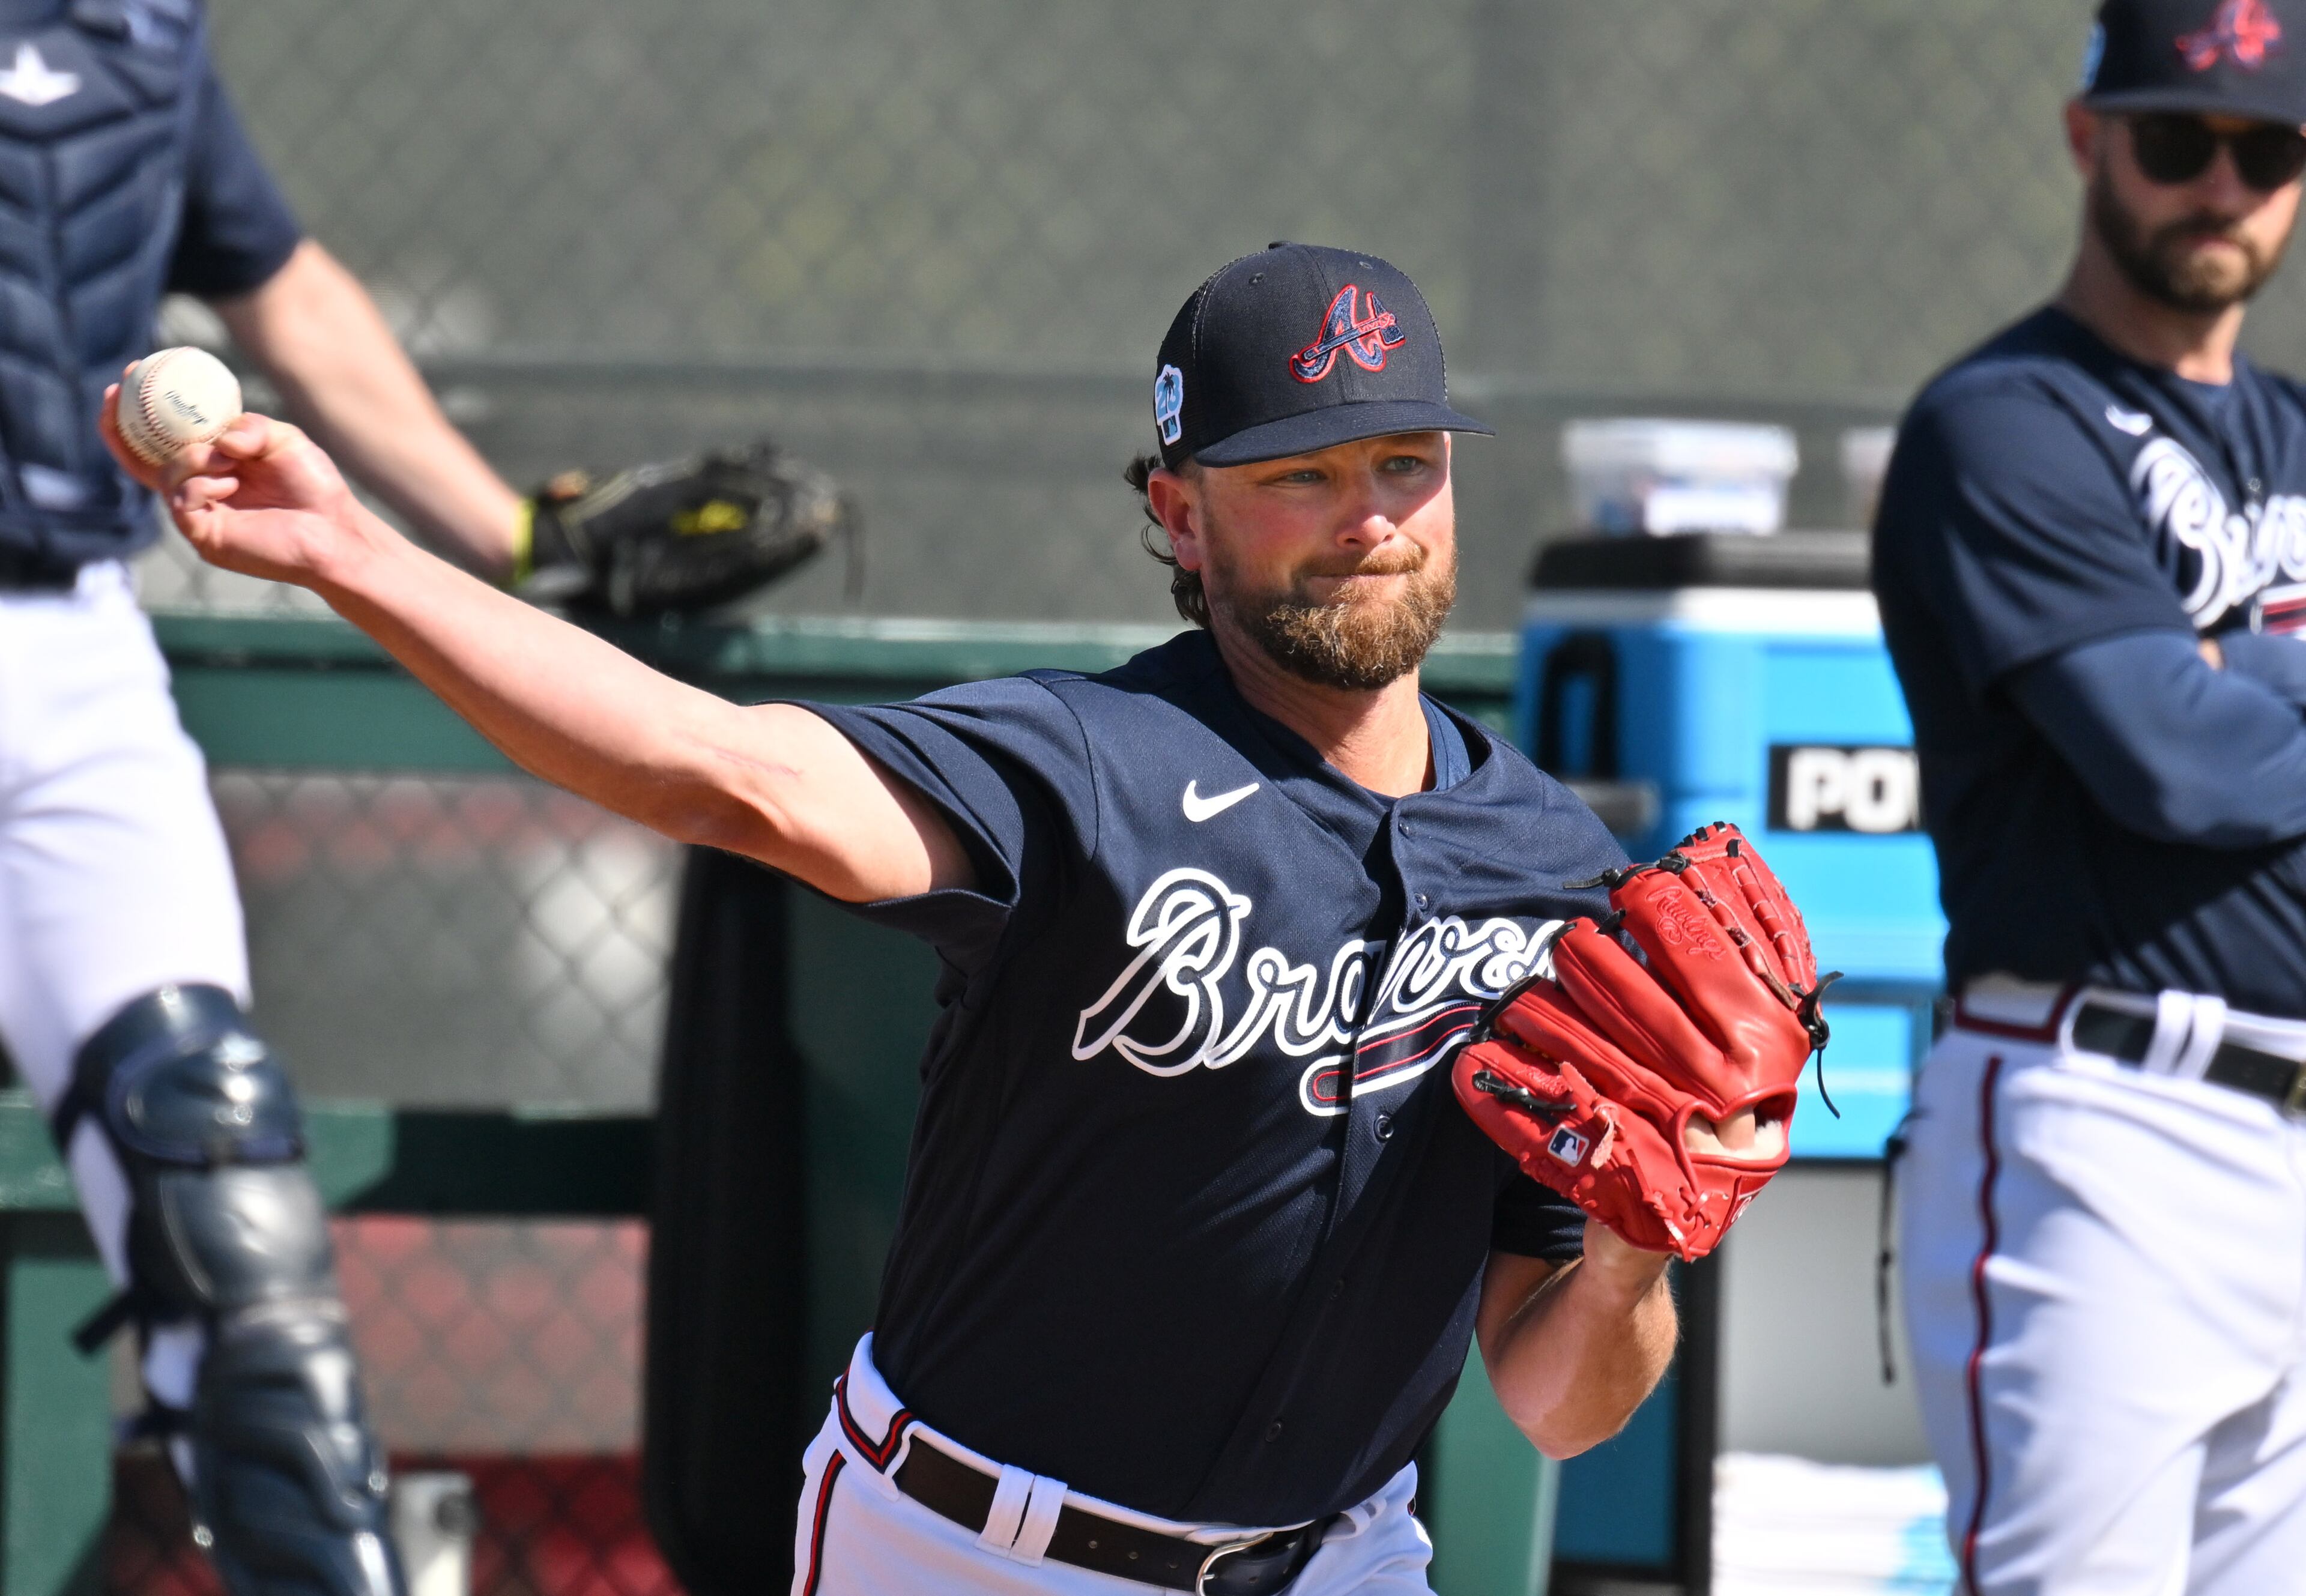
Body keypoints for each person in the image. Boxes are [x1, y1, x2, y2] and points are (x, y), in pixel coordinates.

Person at [105, 241, 1686, 1596]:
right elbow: (731, 774)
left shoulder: (1550, 869)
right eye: (1302, 475)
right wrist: (352, 555)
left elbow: (1556, 1403)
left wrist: (1631, 1246)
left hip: (1340, 1552)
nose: (1371, 517)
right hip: (981, 1551)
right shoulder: (1085, 766)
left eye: (1405, 461)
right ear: (1183, 515)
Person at [0, 2, 539, 1592]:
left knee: (215, 1164)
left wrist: (512, 534)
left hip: (71, 646)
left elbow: (279, 282)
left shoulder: (135, 29)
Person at [1874, 1, 2306, 1589]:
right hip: (2105, 1127)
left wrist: (2227, 669)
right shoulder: (2006, 424)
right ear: (2087, 136)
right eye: (2178, 137)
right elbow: (2175, 763)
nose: (2221, 182)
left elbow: (2214, 719)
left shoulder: (2297, 431)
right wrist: (2209, 691)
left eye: (2266, 150)